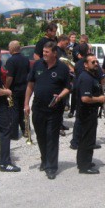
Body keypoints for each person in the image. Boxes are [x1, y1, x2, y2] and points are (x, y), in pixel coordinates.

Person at [25, 42, 71, 180]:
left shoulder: (62, 68)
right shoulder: (37, 65)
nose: (44, 54)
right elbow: (30, 85)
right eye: (43, 51)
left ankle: (51, 167)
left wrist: (60, 96)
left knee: (52, 137)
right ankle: (44, 160)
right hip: (38, 107)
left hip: (54, 109)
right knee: (41, 136)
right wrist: (26, 104)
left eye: (47, 52)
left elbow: (68, 87)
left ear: (54, 53)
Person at [70, 43, 105, 150]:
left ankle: (75, 142)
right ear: (88, 51)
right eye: (91, 49)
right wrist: (100, 94)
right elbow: (102, 79)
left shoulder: (77, 64)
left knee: (79, 119)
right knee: (91, 122)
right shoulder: (92, 64)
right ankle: (89, 142)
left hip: (78, 91)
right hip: (90, 94)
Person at [76, 54, 105, 174]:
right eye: (92, 62)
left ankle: (85, 161)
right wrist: (100, 99)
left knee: (88, 138)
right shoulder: (86, 78)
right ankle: (84, 166)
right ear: (85, 64)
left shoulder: (92, 76)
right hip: (86, 113)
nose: (95, 64)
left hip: (91, 112)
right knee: (87, 139)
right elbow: (85, 98)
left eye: (96, 62)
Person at [5, 40, 30, 140]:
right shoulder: (25, 59)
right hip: (24, 88)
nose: (8, 49)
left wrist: (6, 87)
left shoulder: (11, 61)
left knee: (14, 111)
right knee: (23, 110)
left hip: (14, 89)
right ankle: (25, 130)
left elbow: (9, 77)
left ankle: (14, 134)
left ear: (12, 48)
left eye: (9, 47)